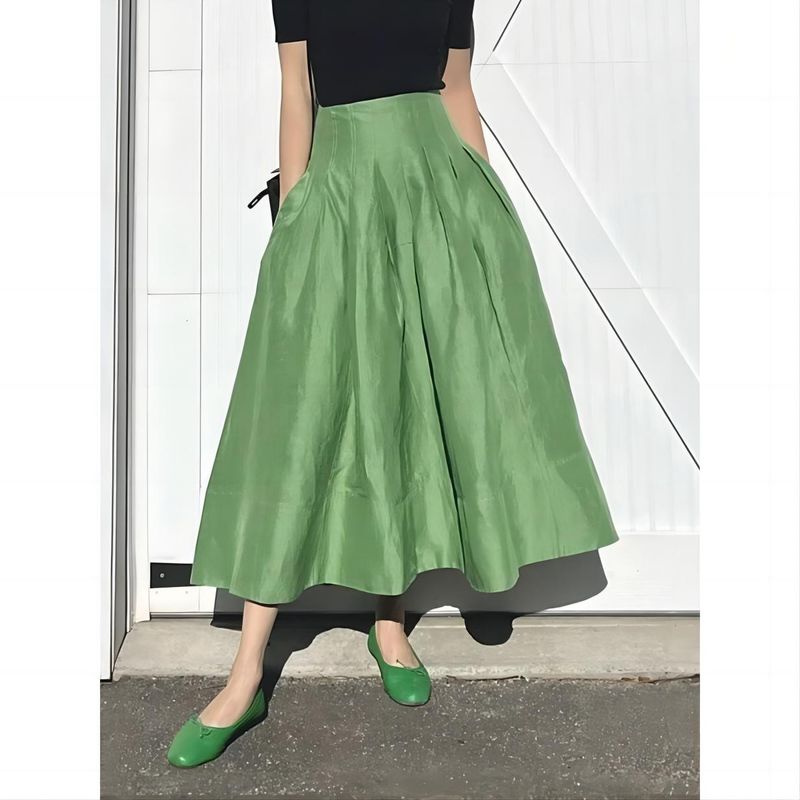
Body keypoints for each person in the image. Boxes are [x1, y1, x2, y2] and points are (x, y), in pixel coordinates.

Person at [167, 0, 618, 768]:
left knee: (411, 397)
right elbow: (296, 92)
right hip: (342, 194)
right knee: (295, 413)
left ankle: (389, 622)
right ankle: (246, 674)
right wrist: (296, 216)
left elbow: (457, 90)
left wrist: (486, 216)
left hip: (437, 194)